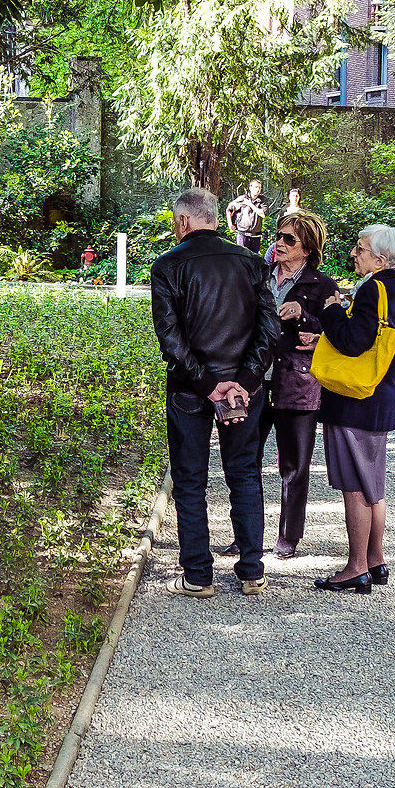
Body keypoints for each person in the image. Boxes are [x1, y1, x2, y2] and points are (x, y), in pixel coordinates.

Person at [151, 186, 280, 597]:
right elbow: (269, 330)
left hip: (192, 389)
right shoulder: (252, 263)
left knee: (190, 478)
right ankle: (251, 571)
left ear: (184, 221)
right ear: (214, 217)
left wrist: (209, 384)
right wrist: (243, 380)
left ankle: (198, 575)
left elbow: (170, 340)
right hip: (245, 389)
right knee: (244, 474)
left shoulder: (168, 266)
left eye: (176, 221)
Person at [311, 224, 395, 595]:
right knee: (373, 484)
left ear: (380, 259)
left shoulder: (372, 288)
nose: (354, 253)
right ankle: (375, 560)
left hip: (354, 399)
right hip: (380, 396)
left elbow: (354, 343)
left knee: (354, 486)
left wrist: (333, 312)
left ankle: (355, 567)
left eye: (360, 248)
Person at [261, 211, 339, 558]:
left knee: (294, 464)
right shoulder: (259, 276)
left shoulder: (323, 285)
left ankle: (288, 537)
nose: (279, 243)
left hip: (298, 382)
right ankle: (245, 534)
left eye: (289, 239)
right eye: (278, 236)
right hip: (254, 381)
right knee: (245, 459)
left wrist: (305, 317)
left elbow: (339, 331)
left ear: (307, 249)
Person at [226, 178, 266, 252]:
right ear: (250, 188)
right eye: (256, 187)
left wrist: (250, 204)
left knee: (254, 259)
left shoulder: (262, 200)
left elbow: (263, 214)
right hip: (243, 234)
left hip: (256, 236)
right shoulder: (243, 198)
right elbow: (229, 209)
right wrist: (230, 224)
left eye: (259, 187)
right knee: (242, 257)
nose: (258, 189)